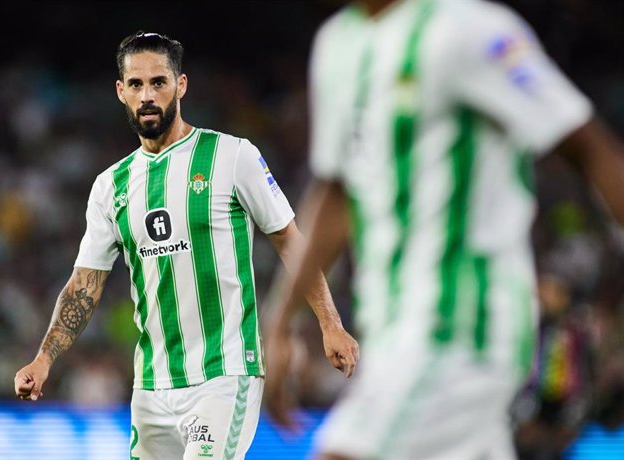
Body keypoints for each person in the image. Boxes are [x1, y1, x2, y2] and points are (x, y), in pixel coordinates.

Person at [263, 0, 624, 459]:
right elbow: (335, 192)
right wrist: (279, 322)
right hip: (392, 330)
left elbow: (588, 144)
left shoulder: (469, 31)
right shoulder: (339, 45)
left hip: (460, 325)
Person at [13, 31, 358, 460]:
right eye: (136, 85)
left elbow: (289, 240)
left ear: (181, 85)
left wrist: (330, 324)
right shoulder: (110, 186)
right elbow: (85, 282)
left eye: (159, 82)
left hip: (224, 374)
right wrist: (44, 358)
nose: (147, 95)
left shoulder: (232, 157)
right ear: (121, 92)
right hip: (152, 385)